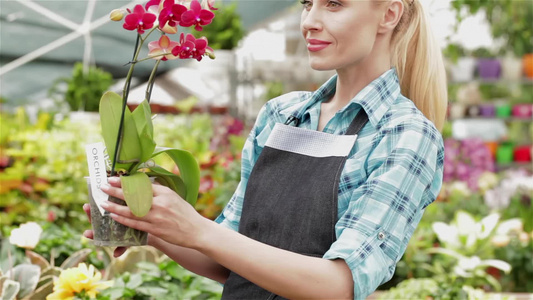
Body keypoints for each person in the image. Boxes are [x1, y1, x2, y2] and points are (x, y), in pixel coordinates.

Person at [83, 0, 447, 298]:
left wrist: (198, 229)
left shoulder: (403, 133)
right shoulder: (283, 115)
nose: (310, 22)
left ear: (389, 14)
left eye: (334, 5)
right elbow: (231, 259)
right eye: (308, 4)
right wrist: (152, 228)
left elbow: (339, 284)